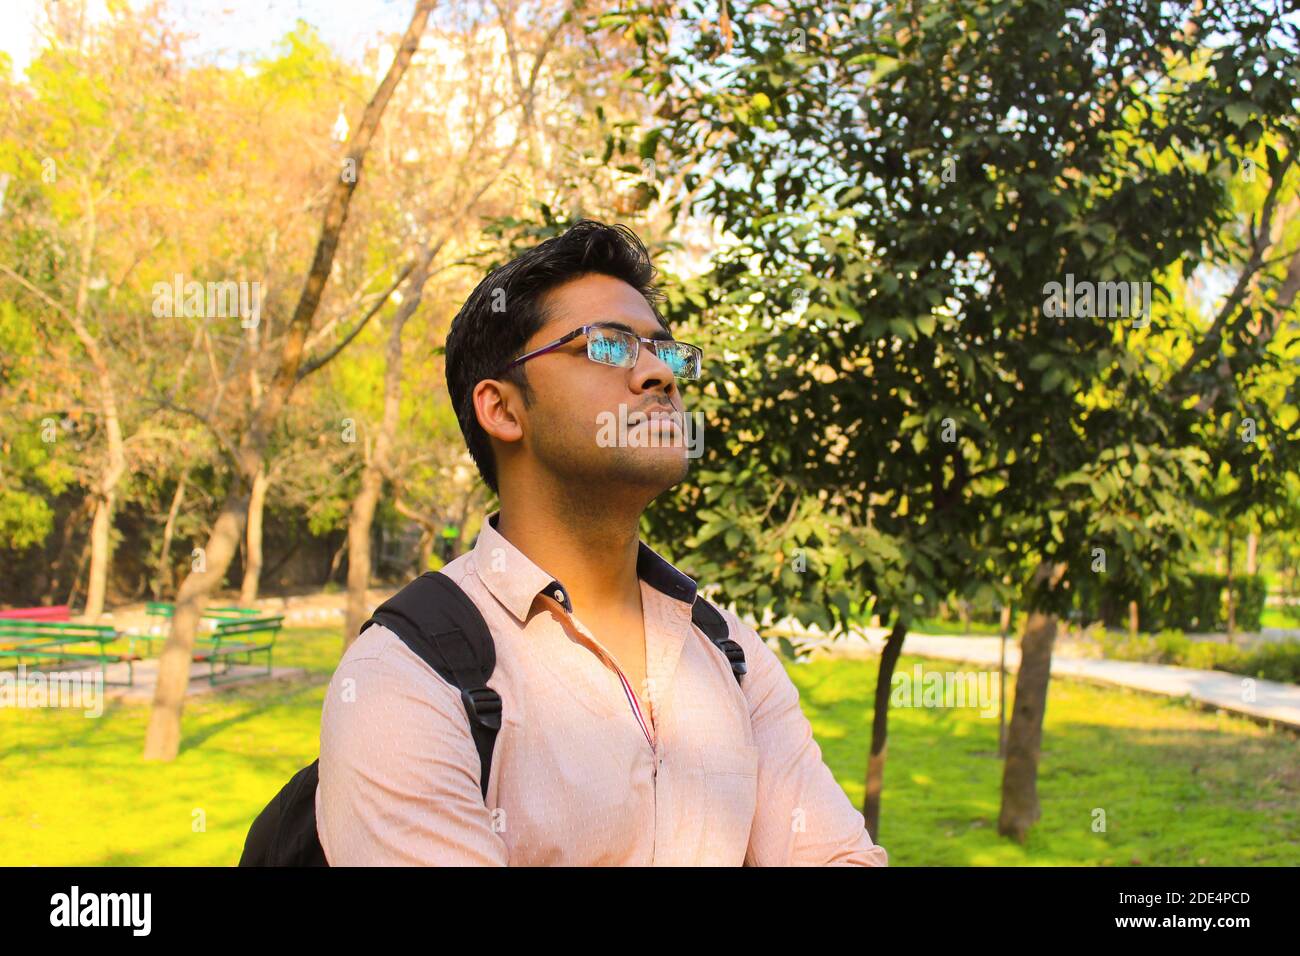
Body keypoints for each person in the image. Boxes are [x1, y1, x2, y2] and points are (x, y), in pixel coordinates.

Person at [315, 219, 888, 866]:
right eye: (610, 348)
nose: (659, 376)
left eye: (666, 352)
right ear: (502, 409)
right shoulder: (409, 678)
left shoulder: (728, 650)